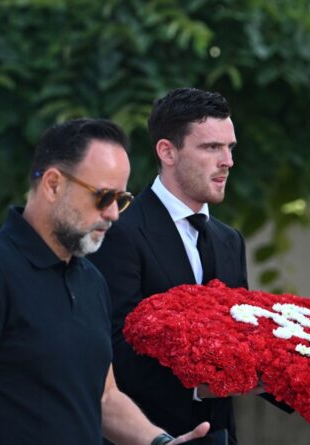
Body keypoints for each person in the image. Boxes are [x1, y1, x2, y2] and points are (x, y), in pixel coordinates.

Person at [0, 118, 210, 445]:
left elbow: (104, 398)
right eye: (104, 197)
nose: (114, 214)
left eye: (121, 200)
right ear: (53, 184)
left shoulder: (92, 281)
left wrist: (160, 442)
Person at [89, 88, 285, 445]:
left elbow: (242, 340)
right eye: (211, 147)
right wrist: (203, 384)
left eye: (230, 148)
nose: (227, 161)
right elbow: (113, 355)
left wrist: (309, 375)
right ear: (167, 152)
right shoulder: (120, 232)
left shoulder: (230, 241)